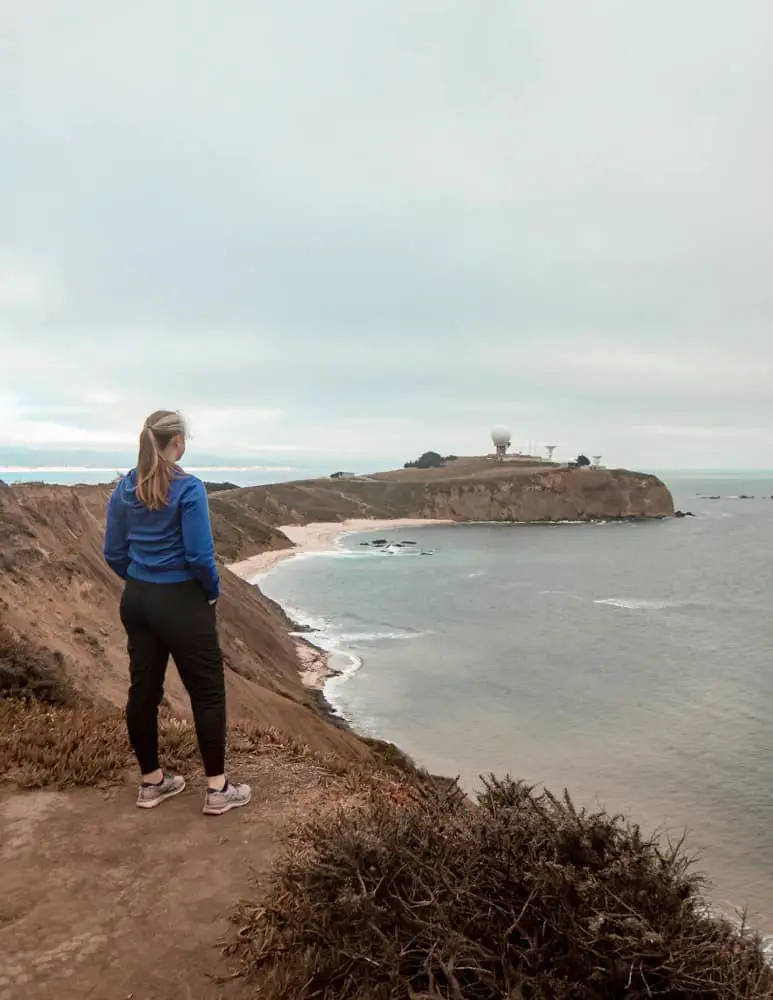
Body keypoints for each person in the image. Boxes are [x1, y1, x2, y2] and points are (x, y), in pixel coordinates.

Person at [103, 410, 251, 816]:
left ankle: (152, 783)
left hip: (138, 600)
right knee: (206, 693)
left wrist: (138, 578)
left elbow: (113, 553)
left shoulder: (124, 489)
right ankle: (218, 791)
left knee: (143, 691)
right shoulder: (189, 489)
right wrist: (211, 593)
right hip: (181, 600)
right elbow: (200, 555)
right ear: (179, 443)